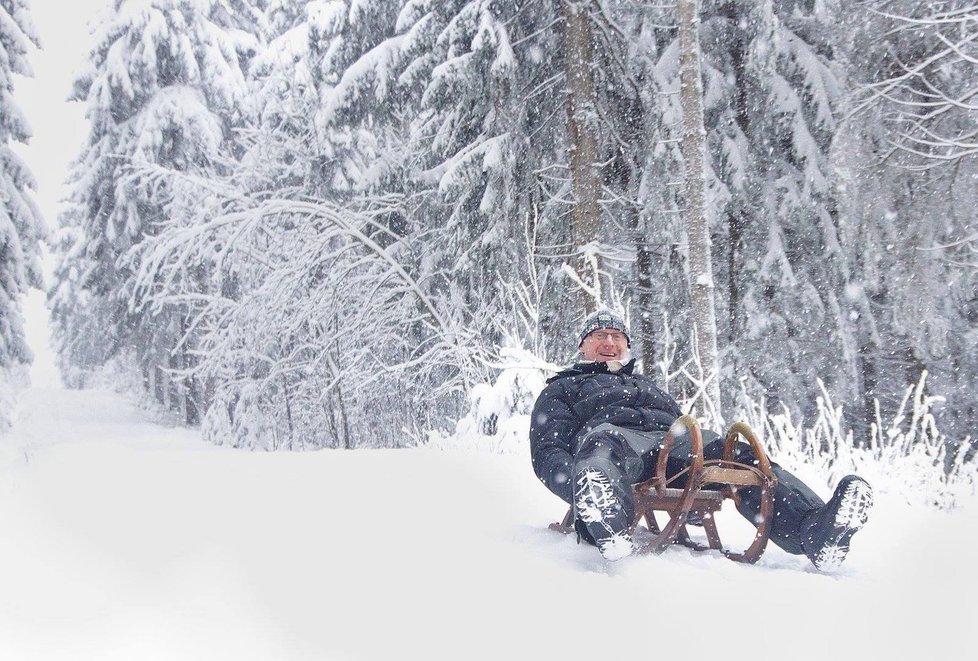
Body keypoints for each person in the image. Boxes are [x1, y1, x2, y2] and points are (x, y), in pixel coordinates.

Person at [529, 308, 873, 569]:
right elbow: (548, 450)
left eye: (617, 336)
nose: (608, 342)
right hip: (617, 444)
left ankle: (813, 531)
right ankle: (607, 521)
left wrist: (691, 501)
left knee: (737, 453)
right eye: (599, 335)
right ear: (583, 345)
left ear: (626, 346)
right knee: (602, 446)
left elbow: (679, 422)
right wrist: (575, 485)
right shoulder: (564, 388)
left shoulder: (648, 387)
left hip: (671, 444)